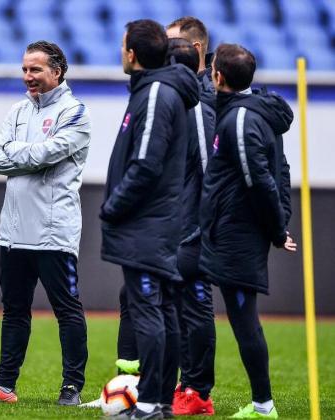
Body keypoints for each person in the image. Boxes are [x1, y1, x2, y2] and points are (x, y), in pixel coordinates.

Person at [0, 41, 91, 406]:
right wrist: (28, 155)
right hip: (13, 231)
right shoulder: (18, 110)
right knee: (14, 311)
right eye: (24, 69)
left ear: (57, 71)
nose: (28, 77)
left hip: (54, 232)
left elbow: (45, 154)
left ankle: (71, 387)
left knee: (66, 310)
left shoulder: (76, 112)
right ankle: (3, 386)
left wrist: (17, 153)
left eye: (35, 70)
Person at [100, 19, 199, 419]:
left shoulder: (157, 92)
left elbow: (145, 164)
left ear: (132, 53)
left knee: (149, 313)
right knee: (164, 313)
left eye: (123, 46)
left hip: (146, 225)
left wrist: (113, 206)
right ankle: (158, 403)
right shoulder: (156, 90)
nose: (121, 52)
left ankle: (153, 402)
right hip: (157, 223)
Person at [200, 44, 295, 419]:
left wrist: (276, 229)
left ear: (218, 76)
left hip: (237, 235)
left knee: (244, 320)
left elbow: (261, 179)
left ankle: (263, 406)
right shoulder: (252, 112)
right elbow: (280, 170)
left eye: (211, 71)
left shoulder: (240, 121)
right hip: (232, 230)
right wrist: (279, 221)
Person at [165, 18, 219, 416]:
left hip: (195, 223)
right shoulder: (180, 94)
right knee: (175, 304)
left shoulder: (201, 100)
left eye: (173, 45)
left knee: (195, 304)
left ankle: (197, 390)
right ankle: (179, 384)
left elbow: (205, 166)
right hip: (175, 219)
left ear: (195, 49)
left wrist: (199, 223)